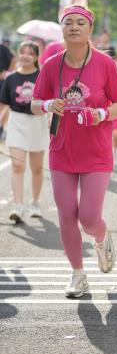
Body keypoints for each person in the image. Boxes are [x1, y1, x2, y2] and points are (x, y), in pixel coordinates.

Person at [31, 4, 117, 298]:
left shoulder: (105, 64)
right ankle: (77, 274)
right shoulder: (51, 65)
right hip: (62, 150)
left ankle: (101, 237)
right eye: (68, 23)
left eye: (80, 23)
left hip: (97, 153)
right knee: (66, 214)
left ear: (89, 30)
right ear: (62, 29)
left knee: (88, 217)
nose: (74, 27)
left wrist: (101, 114)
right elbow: (35, 103)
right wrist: (47, 105)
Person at [0, 41, 48, 222]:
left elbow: (49, 101)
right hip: (17, 123)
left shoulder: (43, 76)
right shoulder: (11, 79)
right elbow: (3, 104)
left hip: (38, 123)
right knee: (18, 166)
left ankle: (35, 203)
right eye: (22, 52)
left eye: (29, 53)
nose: (25, 56)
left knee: (36, 168)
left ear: (36, 57)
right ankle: (18, 206)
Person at [0, 40, 16, 139]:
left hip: (2, 81)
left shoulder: (2, 48)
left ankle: (1, 128)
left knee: (4, 105)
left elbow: (14, 58)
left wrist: (8, 72)